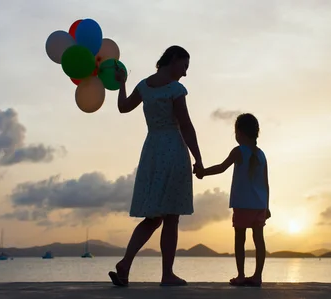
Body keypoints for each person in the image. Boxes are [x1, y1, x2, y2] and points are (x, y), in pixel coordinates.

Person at [108, 45, 203, 287]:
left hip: (152, 150)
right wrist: (198, 158)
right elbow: (186, 126)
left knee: (153, 217)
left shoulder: (143, 86)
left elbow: (123, 107)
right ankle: (167, 274)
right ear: (172, 60)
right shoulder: (175, 89)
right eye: (184, 66)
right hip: (173, 150)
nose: (185, 72)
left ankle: (125, 264)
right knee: (171, 217)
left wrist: (122, 83)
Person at [195, 113, 270, 287]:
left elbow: (221, 168)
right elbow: (266, 183)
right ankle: (257, 276)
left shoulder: (239, 151)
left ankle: (241, 275)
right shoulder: (262, 155)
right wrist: (267, 206)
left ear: (240, 133)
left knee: (240, 240)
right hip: (259, 205)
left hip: (243, 204)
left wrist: (202, 172)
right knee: (259, 241)